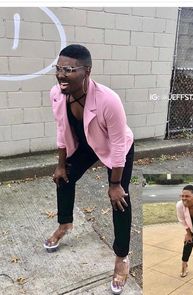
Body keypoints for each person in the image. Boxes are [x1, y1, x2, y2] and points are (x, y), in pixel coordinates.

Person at [44, 44, 134, 294]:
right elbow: (62, 130)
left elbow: (117, 145)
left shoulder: (108, 100)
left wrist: (115, 184)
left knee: (121, 200)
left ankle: (121, 256)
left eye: (69, 69)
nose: (62, 74)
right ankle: (65, 224)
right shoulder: (57, 93)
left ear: (87, 71)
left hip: (117, 148)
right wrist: (61, 165)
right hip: (86, 144)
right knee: (64, 178)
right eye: (59, 68)